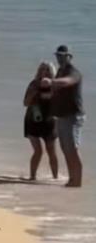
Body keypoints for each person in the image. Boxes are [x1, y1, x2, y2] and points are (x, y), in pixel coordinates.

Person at [41, 45, 85, 187]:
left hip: (73, 116)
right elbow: (56, 93)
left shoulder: (74, 72)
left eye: (62, 55)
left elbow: (68, 82)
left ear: (69, 56)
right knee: (65, 149)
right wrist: (50, 112)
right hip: (61, 116)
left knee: (72, 148)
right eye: (58, 56)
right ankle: (72, 179)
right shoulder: (60, 71)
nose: (59, 58)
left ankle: (77, 181)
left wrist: (52, 81)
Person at [23, 61, 58, 180]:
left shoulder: (55, 85)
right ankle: (32, 176)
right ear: (39, 71)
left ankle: (55, 178)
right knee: (38, 151)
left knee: (51, 151)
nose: (45, 72)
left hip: (49, 121)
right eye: (43, 69)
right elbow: (25, 103)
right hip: (32, 120)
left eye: (48, 69)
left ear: (52, 72)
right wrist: (36, 92)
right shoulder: (33, 84)